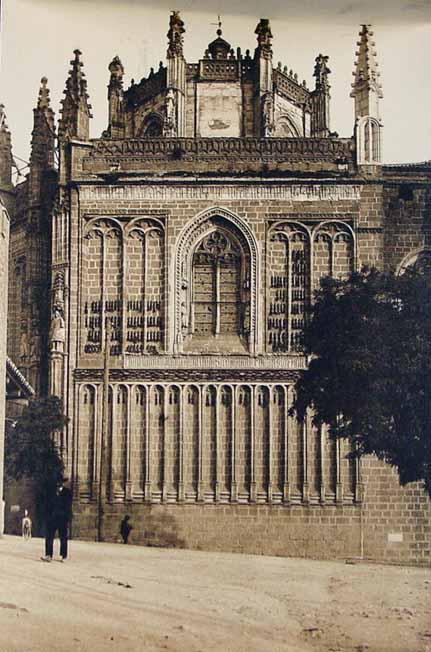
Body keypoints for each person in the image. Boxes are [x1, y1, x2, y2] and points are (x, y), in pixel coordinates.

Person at [41, 477, 73, 562]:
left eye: (61, 482)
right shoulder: (51, 492)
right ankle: (48, 555)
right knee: (49, 536)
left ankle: (64, 556)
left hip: (62, 519)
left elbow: (68, 507)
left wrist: (66, 517)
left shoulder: (68, 492)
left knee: (63, 537)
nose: (59, 484)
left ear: (63, 483)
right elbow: (47, 504)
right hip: (52, 518)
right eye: (57, 482)